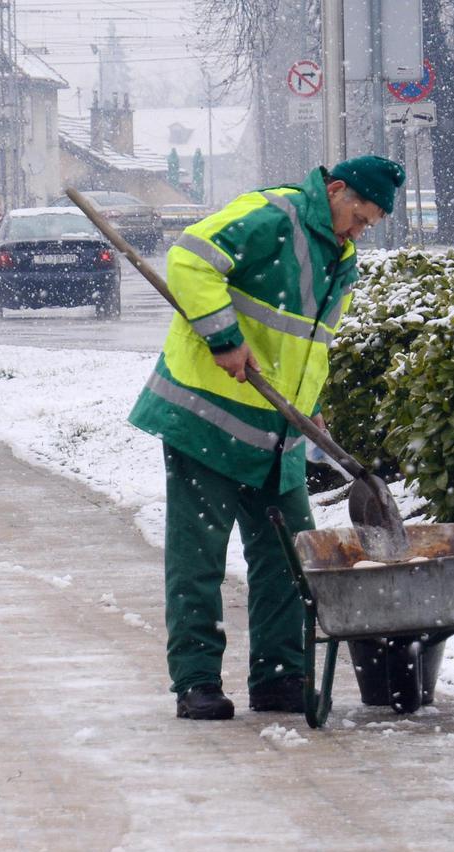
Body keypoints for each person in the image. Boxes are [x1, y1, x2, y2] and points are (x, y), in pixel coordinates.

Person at [129, 154, 406, 720]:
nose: (359, 231)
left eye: (370, 225)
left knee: (289, 557)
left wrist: (312, 408)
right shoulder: (273, 215)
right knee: (198, 559)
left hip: (277, 433)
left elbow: (307, 344)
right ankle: (197, 682)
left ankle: (279, 678)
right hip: (206, 418)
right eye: (358, 216)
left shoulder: (341, 258)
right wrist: (224, 338)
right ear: (335, 189)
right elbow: (190, 258)